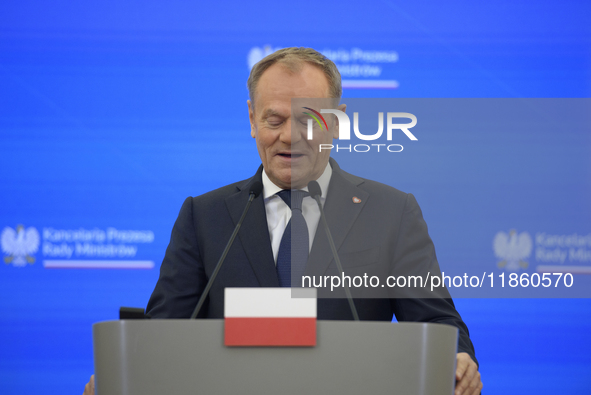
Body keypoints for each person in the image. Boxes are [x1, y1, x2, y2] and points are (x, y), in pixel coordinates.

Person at [84, 47, 482, 395]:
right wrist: (125, 373)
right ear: (252, 119)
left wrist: (460, 359)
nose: (290, 137)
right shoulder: (204, 216)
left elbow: (436, 321)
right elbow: (162, 335)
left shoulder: (391, 211)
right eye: (274, 120)